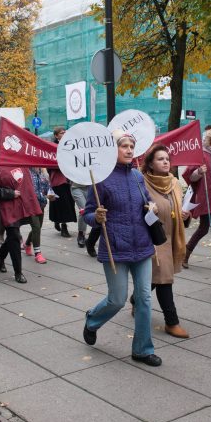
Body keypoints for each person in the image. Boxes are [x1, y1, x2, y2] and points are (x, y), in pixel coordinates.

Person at [82, 131, 161, 367]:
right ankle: (92, 320)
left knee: (144, 298)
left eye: (132, 146)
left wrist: (152, 207)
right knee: (117, 299)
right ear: (112, 150)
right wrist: (96, 217)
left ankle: (143, 349)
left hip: (143, 246)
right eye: (123, 146)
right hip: (116, 248)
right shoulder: (101, 179)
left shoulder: (138, 176)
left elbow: (147, 201)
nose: (128, 150)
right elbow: (87, 213)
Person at [141, 143, 190, 338]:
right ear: (151, 164)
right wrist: (148, 212)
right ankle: (172, 322)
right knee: (164, 279)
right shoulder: (142, 183)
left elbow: (177, 208)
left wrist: (184, 214)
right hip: (154, 237)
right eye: (160, 159)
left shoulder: (175, 183)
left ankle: (136, 300)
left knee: (158, 277)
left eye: (167, 159)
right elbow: (138, 213)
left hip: (173, 237)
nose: (165, 162)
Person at [182, 127, 211, 269]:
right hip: (207, 197)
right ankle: (186, 253)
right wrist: (199, 171)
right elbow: (190, 176)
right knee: (204, 228)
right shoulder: (201, 155)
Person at [0, 164, 42, 282]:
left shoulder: (23, 163)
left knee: (12, 237)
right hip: (8, 206)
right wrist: (10, 193)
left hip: (24, 204)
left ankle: (0, 257)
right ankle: (18, 272)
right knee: (15, 237)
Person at [48, 127, 77, 237]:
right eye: (61, 133)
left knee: (69, 203)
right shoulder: (52, 147)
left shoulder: (70, 145)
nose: (64, 134)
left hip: (69, 179)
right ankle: (63, 226)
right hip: (58, 179)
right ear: (56, 136)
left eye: (65, 132)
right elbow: (49, 163)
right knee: (61, 203)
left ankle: (59, 221)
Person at [25, 167, 50, 263]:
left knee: (38, 227)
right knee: (36, 227)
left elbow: (47, 188)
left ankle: (27, 243)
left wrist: (50, 195)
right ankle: (38, 253)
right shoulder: (27, 172)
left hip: (41, 204)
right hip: (31, 205)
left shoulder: (42, 172)